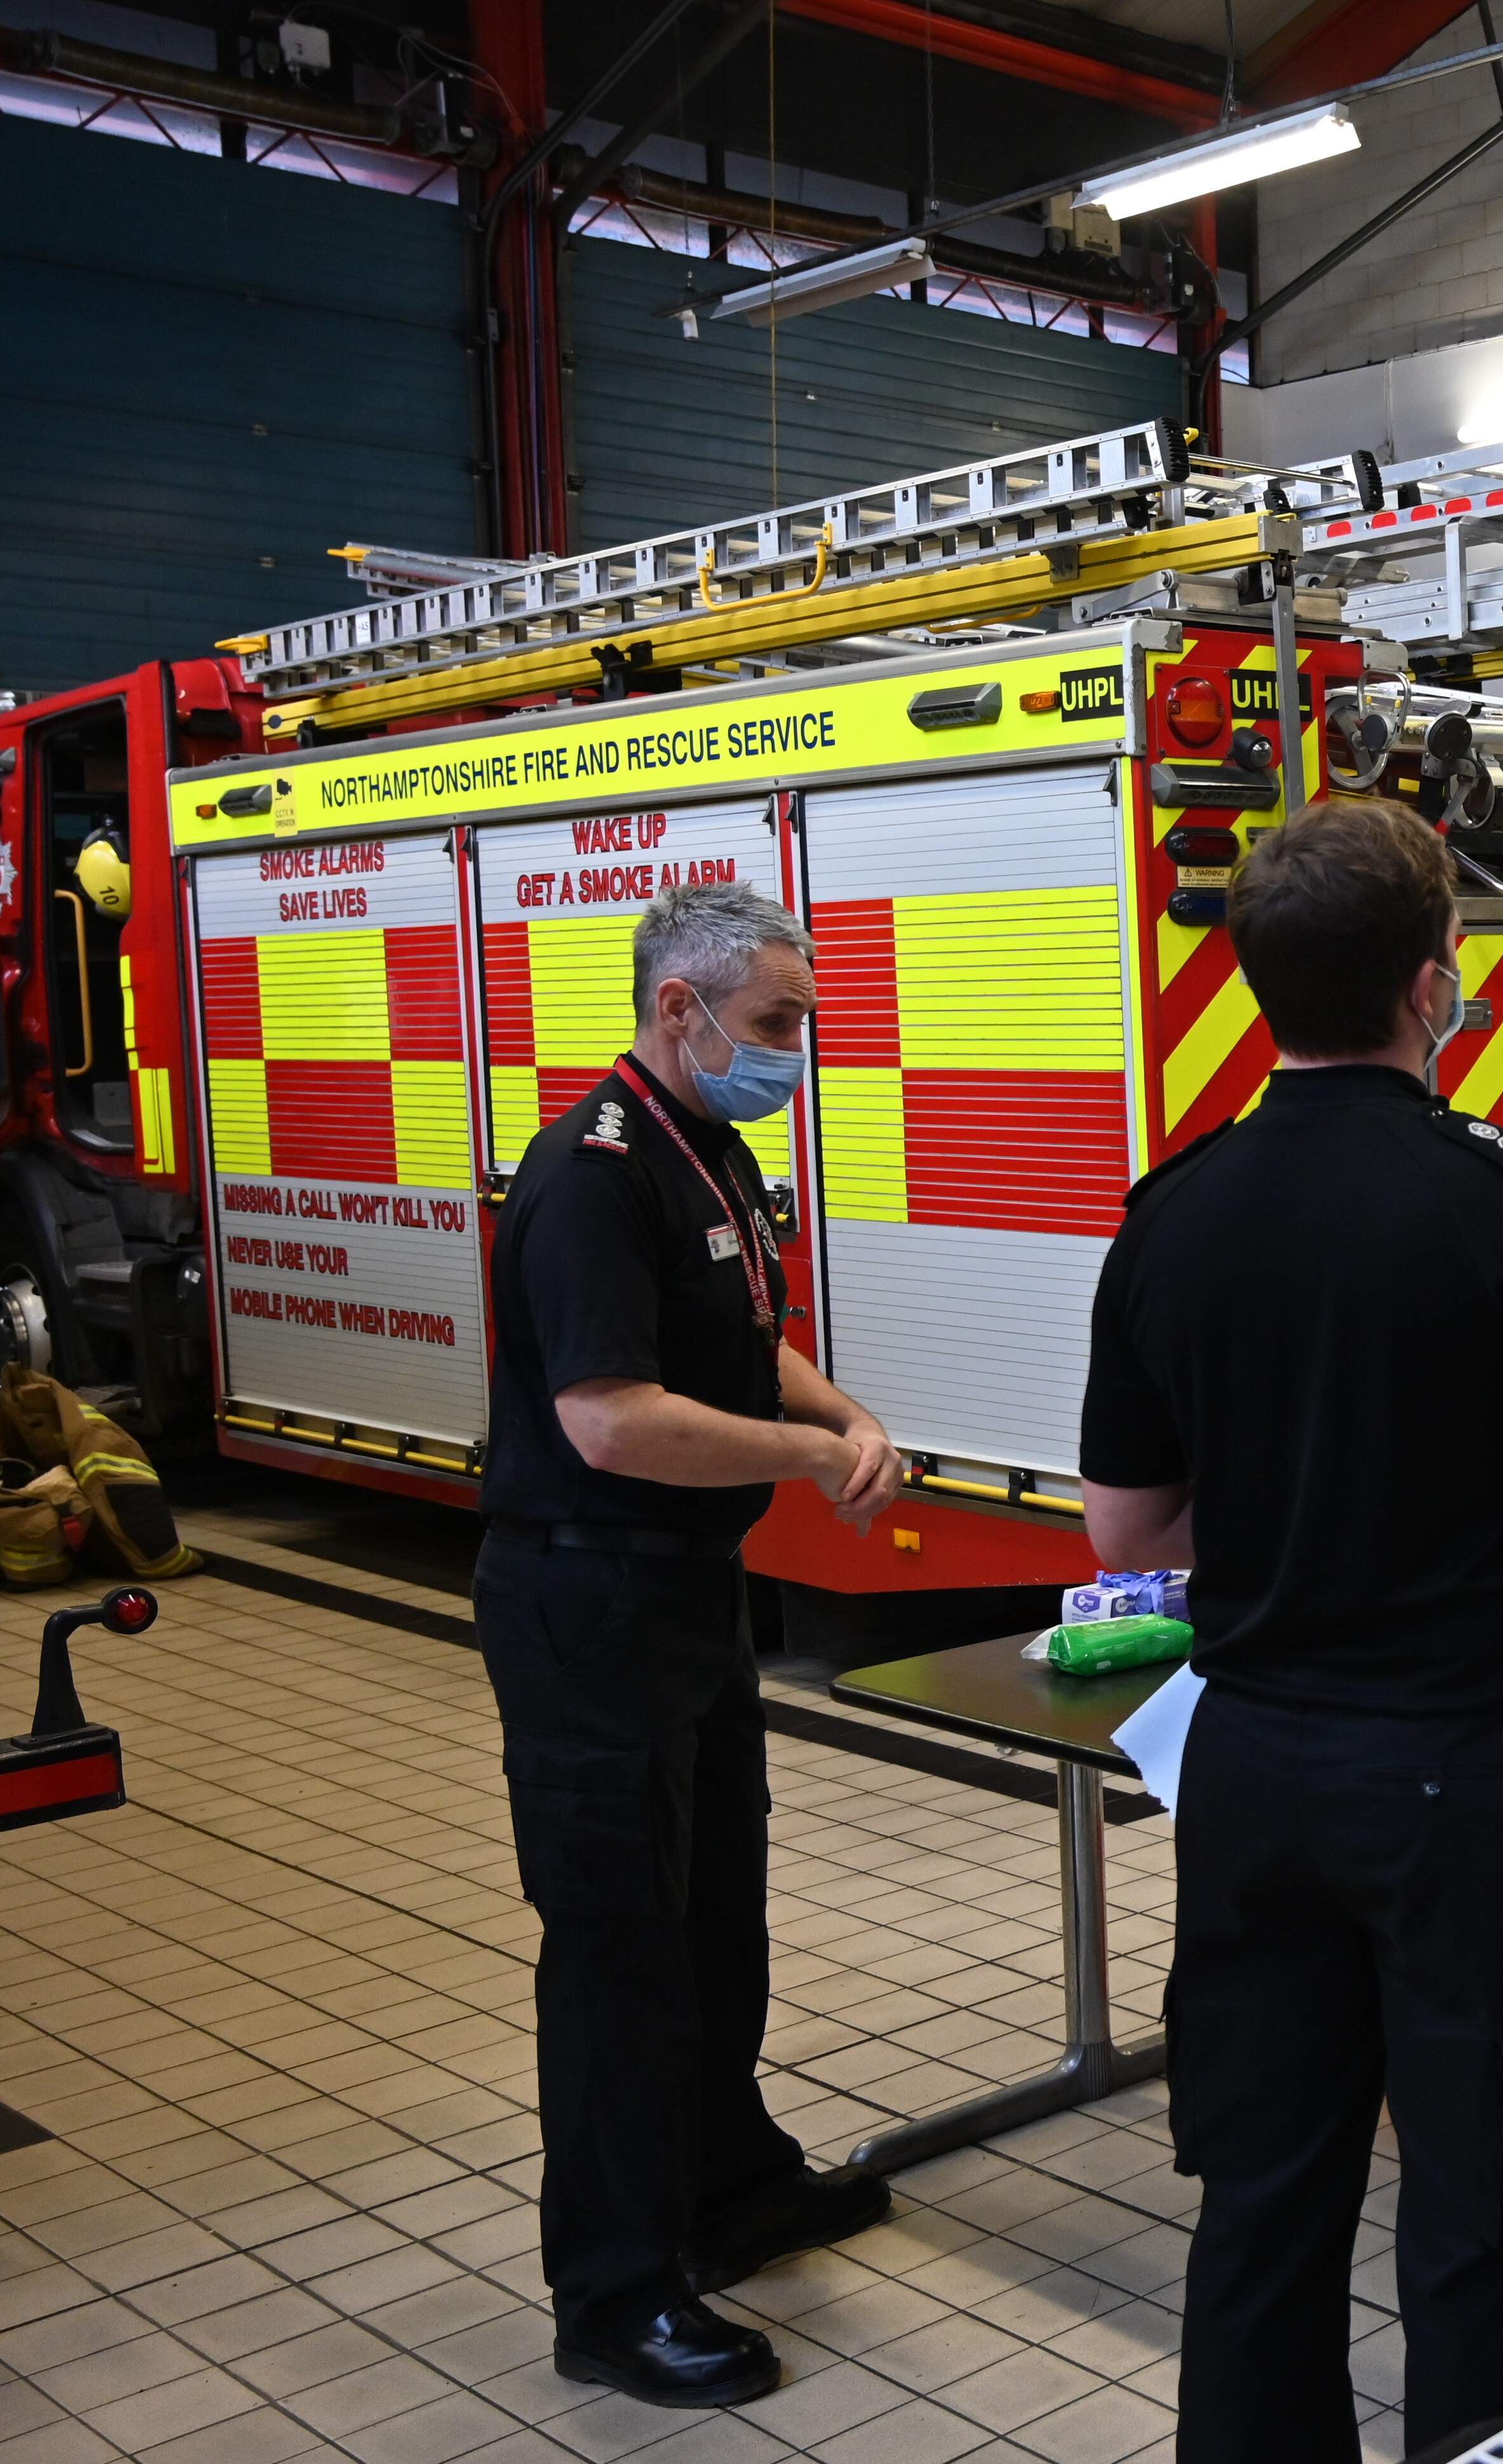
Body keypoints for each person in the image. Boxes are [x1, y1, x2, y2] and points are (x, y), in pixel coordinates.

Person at [1079, 799, 1503, 2463]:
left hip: (1252, 1769)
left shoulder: (1171, 1210)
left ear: (1261, 985)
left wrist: (1293, 1514)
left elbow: (1124, 1533)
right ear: (1436, 986)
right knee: (1493, 2203)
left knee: (1263, 2202)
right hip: (1465, 1776)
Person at [476, 881, 905, 2406]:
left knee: (719, 1913)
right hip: (588, 1606)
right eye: (776, 1023)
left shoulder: (704, 1146)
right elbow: (608, 1419)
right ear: (683, 1009)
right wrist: (806, 1467)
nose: (792, 1050)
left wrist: (837, 1412)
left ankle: (730, 2189)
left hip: (685, 1603)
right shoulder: (591, 1176)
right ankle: (615, 2293)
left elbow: (734, 1338)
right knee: (616, 1952)